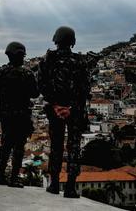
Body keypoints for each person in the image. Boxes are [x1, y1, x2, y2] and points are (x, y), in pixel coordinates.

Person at [38, 26, 89, 198]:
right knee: (74, 147)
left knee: (56, 146)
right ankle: (70, 187)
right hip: (74, 111)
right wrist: (71, 108)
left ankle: (53, 184)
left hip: (54, 110)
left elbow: (41, 85)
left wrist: (55, 105)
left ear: (56, 40)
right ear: (72, 42)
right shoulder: (80, 61)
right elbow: (84, 89)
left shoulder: (47, 60)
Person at [0, 42, 39, 188]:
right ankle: (13, 178)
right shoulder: (27, 73)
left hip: (6, 114)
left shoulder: (0, 72)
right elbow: (34, 93)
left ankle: (0, 176)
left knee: (5, 145)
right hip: (22, 115)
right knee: (18, 148)